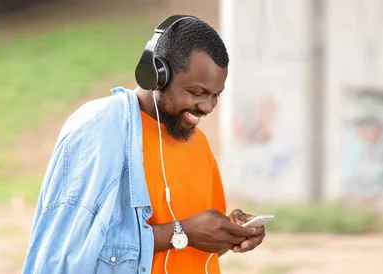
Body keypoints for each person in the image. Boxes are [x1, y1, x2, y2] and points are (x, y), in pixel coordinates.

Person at [22, 15, 266, 274]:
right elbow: (66, 255)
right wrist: (182, 232)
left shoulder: (198, 143)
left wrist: (227, 235)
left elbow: (189, 248)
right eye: (197, 93)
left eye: (215, 95)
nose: (207, 107)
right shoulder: (101, 129)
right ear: (156, 75)